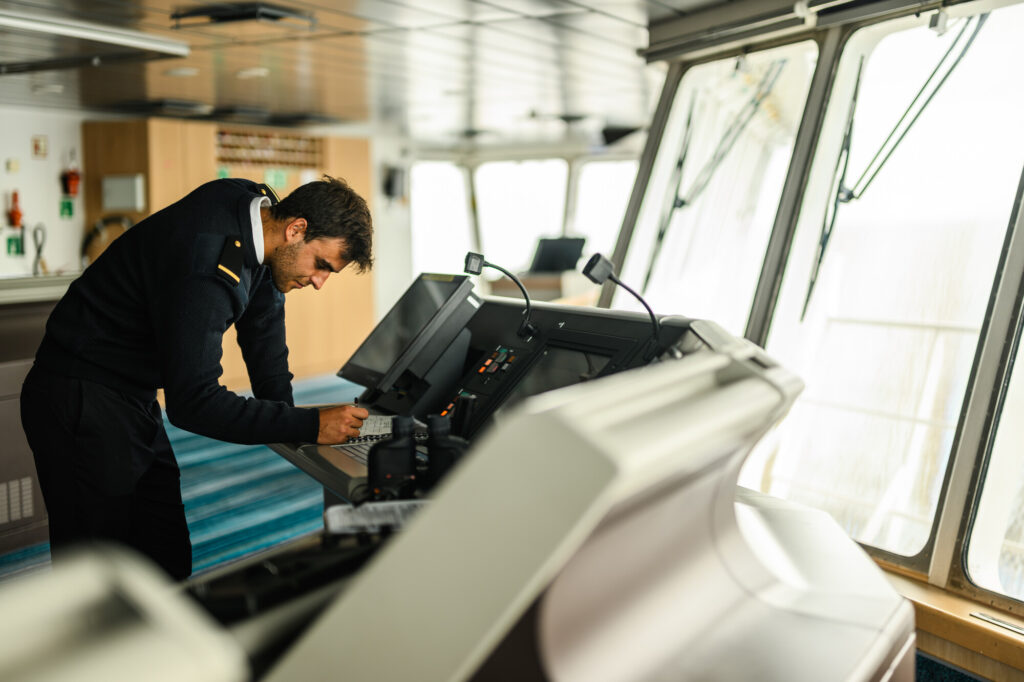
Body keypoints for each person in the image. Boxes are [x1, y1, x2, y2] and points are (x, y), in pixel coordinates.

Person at [20, 176, 372, 580]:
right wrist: (309, 424)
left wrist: (287, 415)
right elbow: (194, 403)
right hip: (78, 394)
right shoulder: (206, 265)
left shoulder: (253, 210)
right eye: (321, 265)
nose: (318, 281)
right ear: (296, 229)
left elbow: (264, 322)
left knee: (165, 554)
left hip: (130, 393)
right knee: (95, 572)